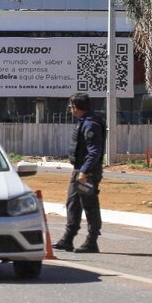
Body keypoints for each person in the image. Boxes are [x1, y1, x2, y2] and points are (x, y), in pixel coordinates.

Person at [55, 92, 106, 253]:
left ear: (75, 107)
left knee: (89, 206)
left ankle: (92, 241)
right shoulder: (83, 122)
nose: (70, 109)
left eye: (71, 106)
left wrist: (84, 171)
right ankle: (68, 238)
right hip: (79, 171)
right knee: (73, 204)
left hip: (87, 173)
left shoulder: (91, 125)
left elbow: (94, 152)